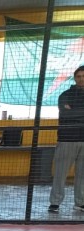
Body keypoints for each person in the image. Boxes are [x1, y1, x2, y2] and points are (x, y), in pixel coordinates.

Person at [49, 65, 84, 213]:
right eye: (78, 76)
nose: (81, 79)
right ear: (74, 78)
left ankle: (80, 202)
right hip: (67, 139)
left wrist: (75, 110)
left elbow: (73, 113)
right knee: (60, 172)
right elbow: (66, 114)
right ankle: (55, 202)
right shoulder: (65, 95)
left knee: (82, 174)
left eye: (83, 76)